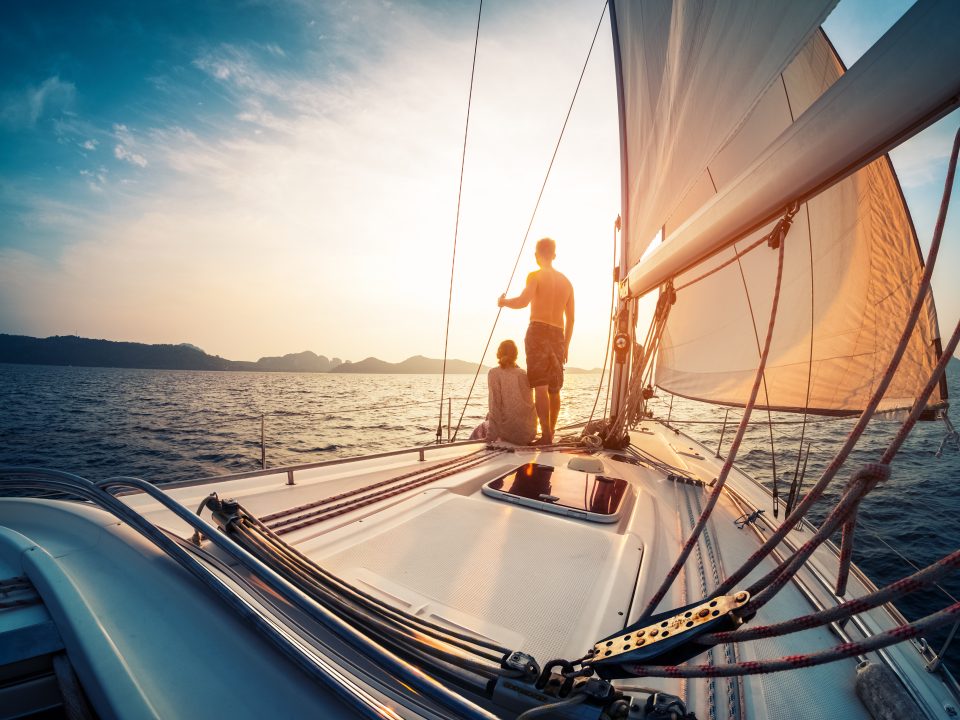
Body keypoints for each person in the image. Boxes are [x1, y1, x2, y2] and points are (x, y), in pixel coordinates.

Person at [497, 237, 574, 445]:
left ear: (536, 255)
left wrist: (503, 302)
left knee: (540, 386)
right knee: (554, 388)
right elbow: (571, 318)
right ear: (554, 255)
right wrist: (566, 344)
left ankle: (546, 435)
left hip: (538, 331)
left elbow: (523, 301)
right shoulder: (567, 282)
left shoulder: (535, 276)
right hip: (559, 334)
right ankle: (551, 432)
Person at [471, 339, 537, 444]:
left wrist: (490, 437)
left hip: (509, 435)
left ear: (498, 353)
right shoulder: (523, 373)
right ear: (515, 355)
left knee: (482, 426)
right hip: (529, 433)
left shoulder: (494, 373)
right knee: (491, 416)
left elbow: (495, 406)